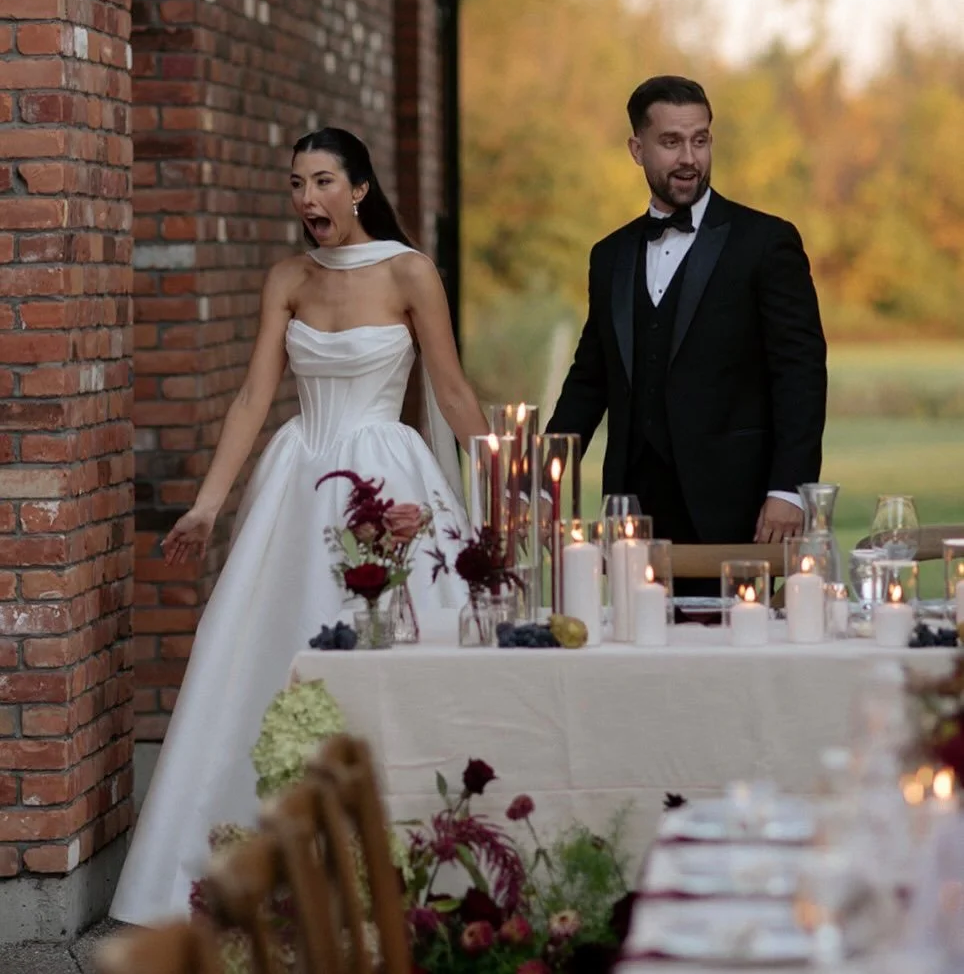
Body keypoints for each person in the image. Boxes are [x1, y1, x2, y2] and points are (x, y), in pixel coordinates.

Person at [111, 127, 485, 924]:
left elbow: (450, 391)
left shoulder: (411, 271)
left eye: (321, 181)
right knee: (264, 652)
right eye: (295, 184)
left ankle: (401, 853)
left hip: (388, 477)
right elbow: (253, 397)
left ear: (358, 188)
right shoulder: (287, 277)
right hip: (298, 478)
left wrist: (505, 490)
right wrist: (209, 502)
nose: (306, 198)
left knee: (391, 651)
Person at [546, 75, 827, 564]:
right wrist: (539, 479)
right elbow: (591, 377)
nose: (689, 158)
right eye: (671, 142)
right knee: (637, 635)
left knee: (737, 636)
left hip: (736, 507)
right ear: (637, 148)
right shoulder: (609, 255)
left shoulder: (766, 242)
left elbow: (800, 373)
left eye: (700, 140)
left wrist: (789, 490)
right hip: (633, 509)